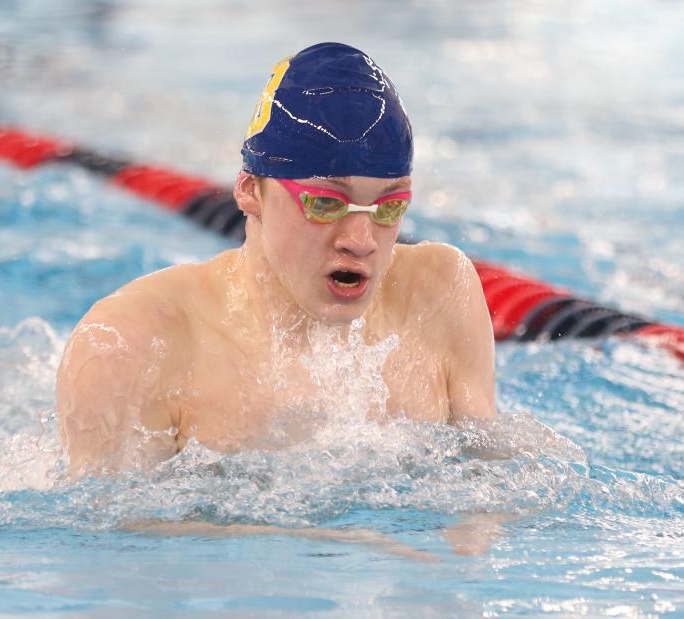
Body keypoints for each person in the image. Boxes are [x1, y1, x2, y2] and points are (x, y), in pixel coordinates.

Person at [56, 42, 496, 476]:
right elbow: (114, 539)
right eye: (325, 204)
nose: (362, 241)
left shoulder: (438, 296)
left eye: (390, 207)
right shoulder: (132, 345)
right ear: (250, 191)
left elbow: (492, 497)